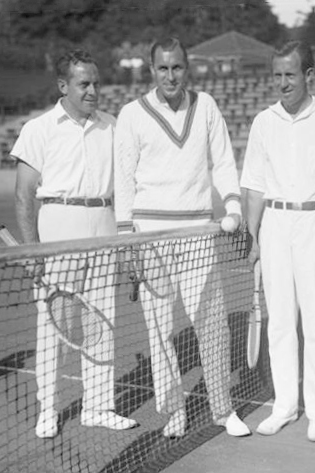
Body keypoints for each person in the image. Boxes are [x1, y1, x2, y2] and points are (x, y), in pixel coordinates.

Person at [113, 37, 250, 438]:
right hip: (150, 235)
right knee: (159, 330)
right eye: (162, 68)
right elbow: (123, 179)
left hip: (198, 233)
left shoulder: (205, 105)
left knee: (211, 324)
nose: (170, 76)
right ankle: (174, 411)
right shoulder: (131, 115)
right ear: (151, 69)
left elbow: (223, 160)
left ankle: (223, 409)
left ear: (186, 68)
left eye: (176, 68)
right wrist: (126, 239)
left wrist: (234, 205)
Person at [12, 49, 138, 438]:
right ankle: (48, 409)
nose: (93, 91)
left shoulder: (113, 126)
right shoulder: (39, 128)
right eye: (84, 84)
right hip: (58, 229)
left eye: (96, 83)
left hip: (103, 225)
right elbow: (24, 195)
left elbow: (128, 186)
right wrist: (32, 250)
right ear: (63, 86)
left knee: (102, 323)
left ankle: (99, 407)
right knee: (54, 326)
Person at [240, 40, 315, 443]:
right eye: (277, 75)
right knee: (280, 324)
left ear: (309, 75)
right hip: (274, 226)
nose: (283, 82)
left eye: (290, 74)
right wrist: (253, 238)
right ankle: (285, 405)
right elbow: (254, 187)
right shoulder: (263, 121)